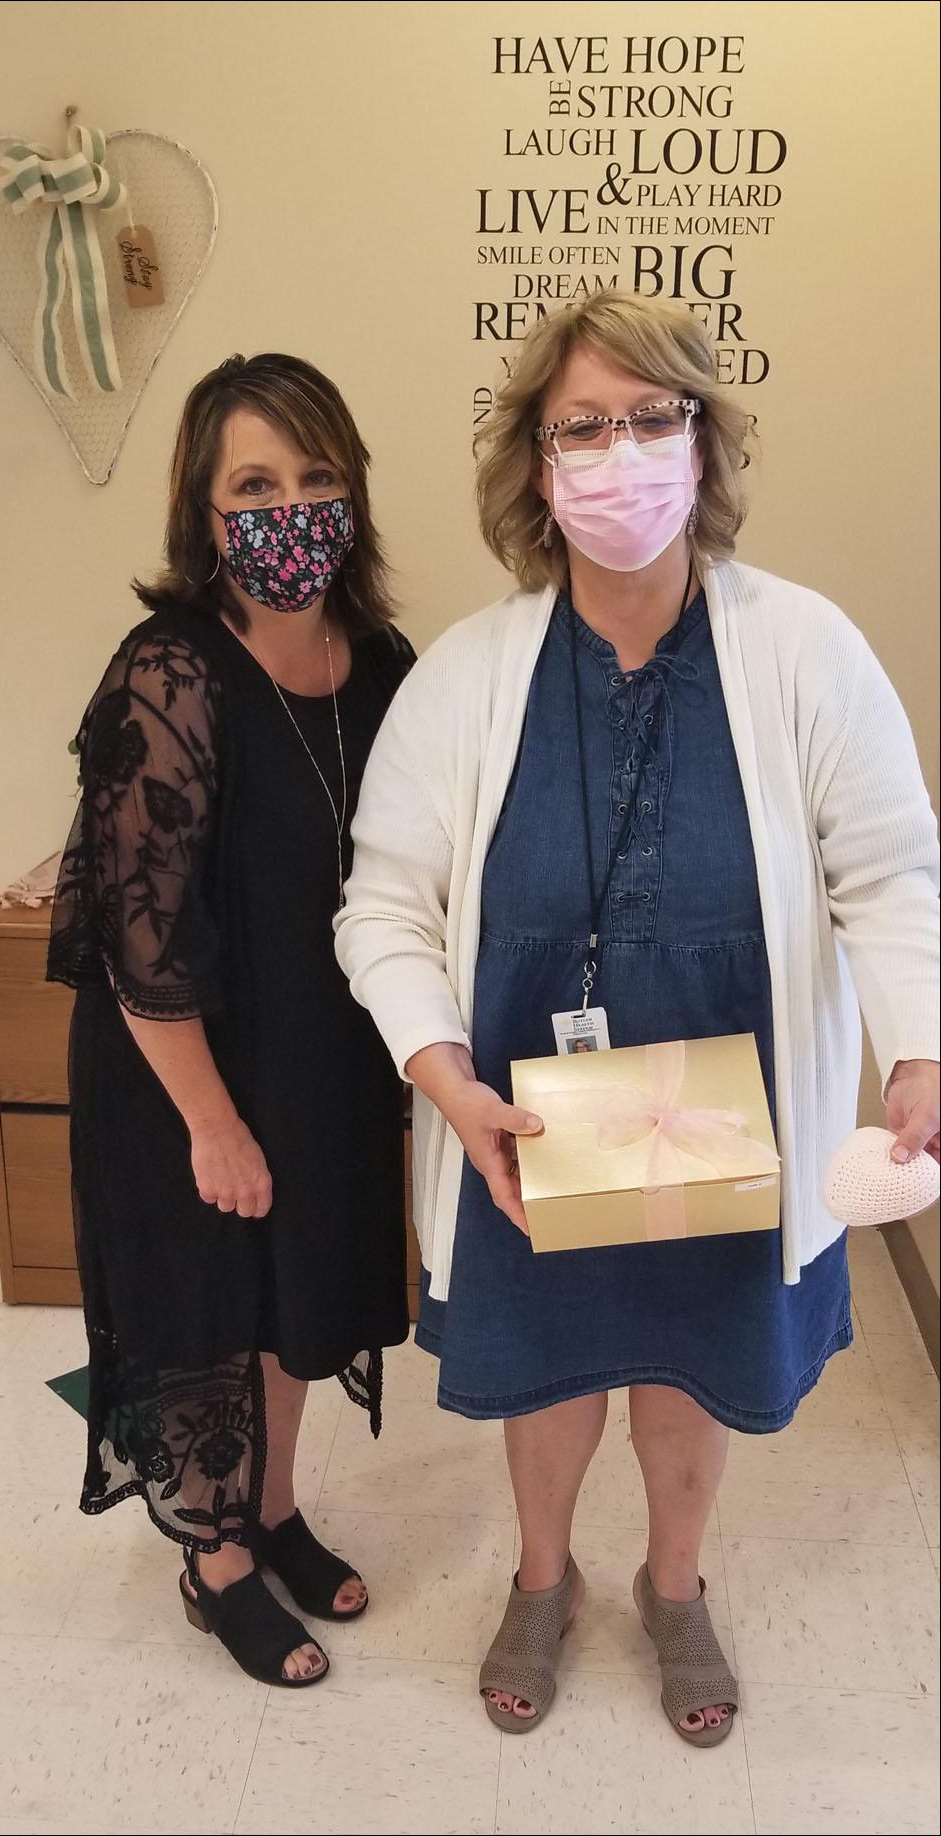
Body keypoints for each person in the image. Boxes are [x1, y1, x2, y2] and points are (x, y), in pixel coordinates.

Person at [334, 293, 940, 1742]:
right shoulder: (469, 677)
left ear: (703, 439)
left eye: (651, 419)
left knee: (689, 1367)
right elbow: (384, 908)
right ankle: (541, 1583)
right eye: (582, 427)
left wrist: (920, 1044)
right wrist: (443, 1076)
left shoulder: (807, 645)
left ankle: (675, 1587)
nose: (622, 455)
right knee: (549, 1372)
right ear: (537, 468)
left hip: (735, 1099)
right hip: (527, 1118)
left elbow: (889, 865)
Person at [48, 352, 415, 1688]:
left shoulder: (377, 660)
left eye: (318, 477)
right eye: (254, 484)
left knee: (293, 1297)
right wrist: (211, 1121)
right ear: (203, 514)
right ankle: (214, 1559)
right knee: (207, 1297)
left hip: (322, 1050)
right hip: (184, 1056)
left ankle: (271, 1509)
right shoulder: (170, 671)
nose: (292, 505)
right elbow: (135, 934)